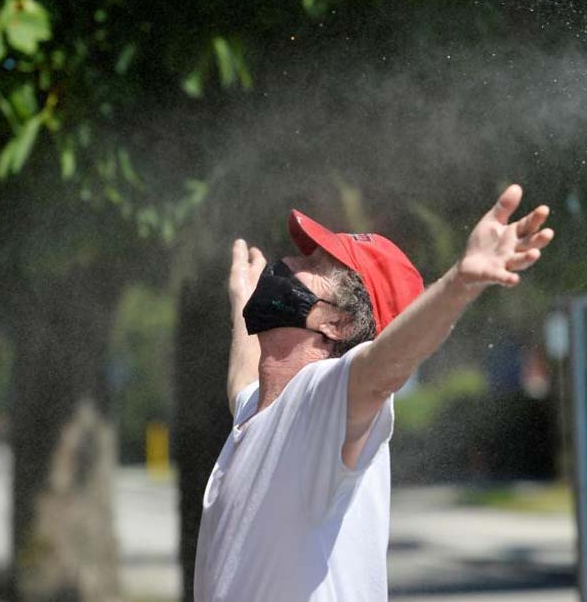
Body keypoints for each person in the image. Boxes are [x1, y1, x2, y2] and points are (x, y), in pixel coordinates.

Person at [194, 184, 553, 601]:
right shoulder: (258, 412)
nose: (288, 261)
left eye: (314, 262)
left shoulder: (323, 401)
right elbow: (242, 378)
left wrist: (460, 283)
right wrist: (242, 297)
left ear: (340, 324)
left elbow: (383, 368)